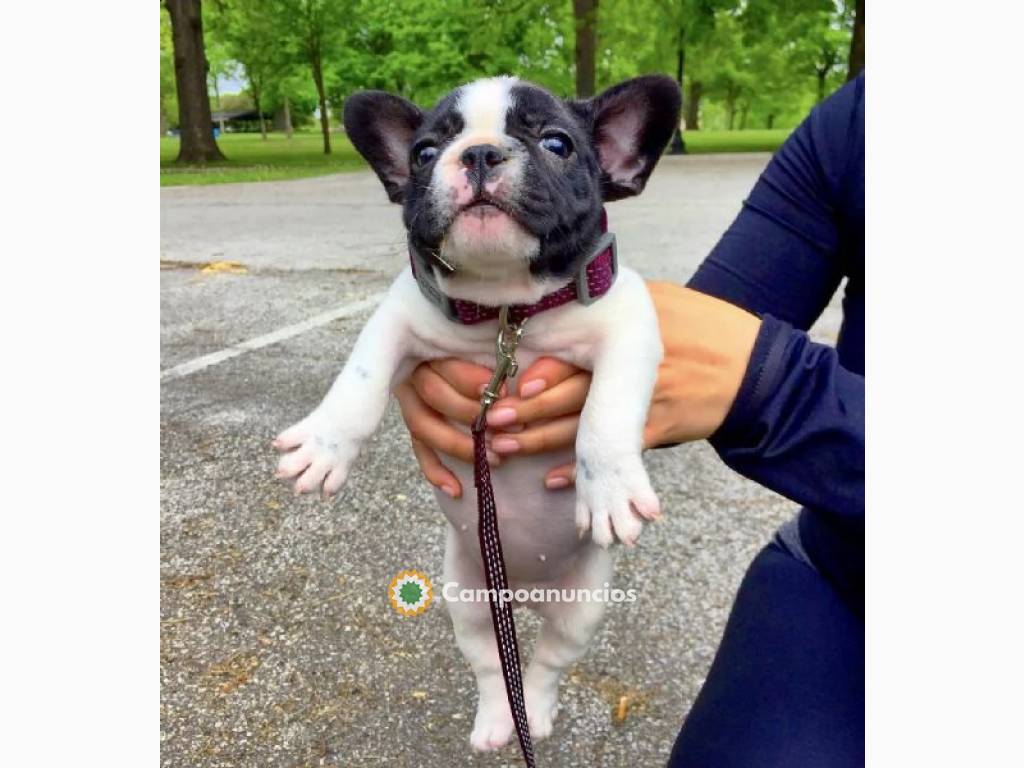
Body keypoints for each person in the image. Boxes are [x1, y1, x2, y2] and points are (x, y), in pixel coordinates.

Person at [395, 74, 865, 767]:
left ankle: (542, 681)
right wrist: (448, 353)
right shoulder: (857, 123)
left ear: (617, 155)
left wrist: (781, 388)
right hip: (847, 571)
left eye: (553, 142)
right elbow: (698, 328)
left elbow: (735, 360)